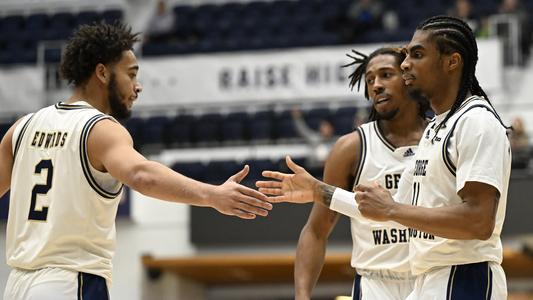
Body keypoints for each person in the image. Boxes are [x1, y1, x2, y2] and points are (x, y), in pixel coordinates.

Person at [0, 22, 272, 300]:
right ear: (102, 73)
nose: (138, 86)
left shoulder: (21, 127)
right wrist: (211, 194)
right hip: (71, 282)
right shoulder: (100, 128)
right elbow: (141, 175)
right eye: (131, 75)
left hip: (16, 285)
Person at [259, 15, 511, 300]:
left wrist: (390, 210)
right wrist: (321, 192)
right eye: (370, 80)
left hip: (463, 275)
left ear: (451, 62)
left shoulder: (475, 122)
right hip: (419, 279)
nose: (406, 64)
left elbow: (477, 221)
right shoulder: (436, 130)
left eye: (416, 55)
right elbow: (384, 209)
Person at [273, 47, 430, 300]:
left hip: (432, 280)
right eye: (369, 80)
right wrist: (301, 295)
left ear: (408, 78)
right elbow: (316, 230)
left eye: (386, 74)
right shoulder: (351, 149)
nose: (376, 85)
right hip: (375, 284)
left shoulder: (440, 138)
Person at [291, 106, 335, 176]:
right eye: (323, 126)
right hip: (314, 171)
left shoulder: (335, 143)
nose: (325, 129)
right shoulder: (314, 138)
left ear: (331, 129)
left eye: (327, 127)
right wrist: (297, 118)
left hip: (328, 171)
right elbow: (302, 130)